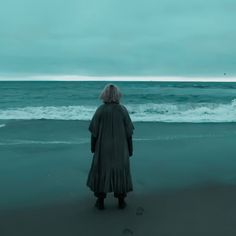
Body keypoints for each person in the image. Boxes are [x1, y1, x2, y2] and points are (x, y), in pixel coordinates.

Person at [86, 84, 134, 210]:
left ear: (104, 95)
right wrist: (130, 149)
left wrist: (93, 147)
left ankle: (100, 201)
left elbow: (94, 132)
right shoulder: (123, 110)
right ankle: (121, 201)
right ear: (118, 95)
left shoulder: (100, 110)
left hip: (103, 148)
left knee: (102, 171)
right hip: (120, 147)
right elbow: (129, 132)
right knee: (120, 171)